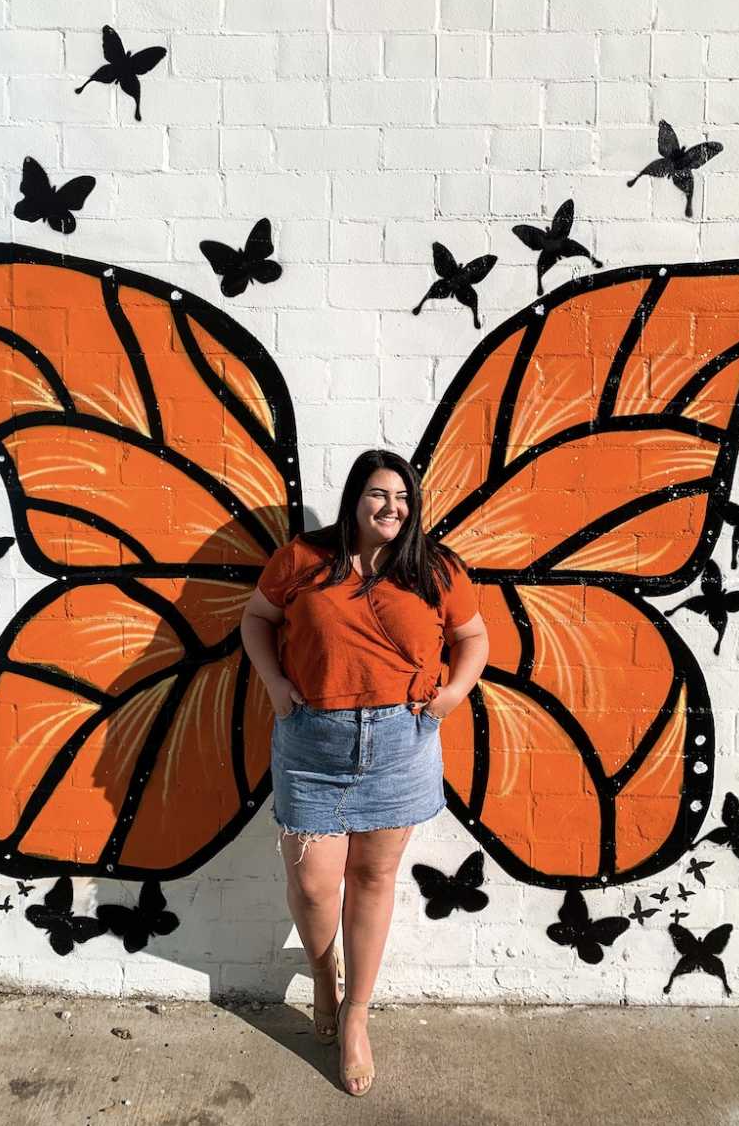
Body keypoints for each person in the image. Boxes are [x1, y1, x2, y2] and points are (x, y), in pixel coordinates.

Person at [239, 448, 489, 1096]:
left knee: (374, 877)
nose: (392, 508)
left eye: (403, 498)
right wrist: (272, 683)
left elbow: (475, 637)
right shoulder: (303, 559)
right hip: (312, 744)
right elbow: (256, 621)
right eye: (379, 495)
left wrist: (455, 693)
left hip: (400, 744)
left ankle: (355, 1016)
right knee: (317, 884)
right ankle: (327, 973)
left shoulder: (434, 568)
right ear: (356, 498)